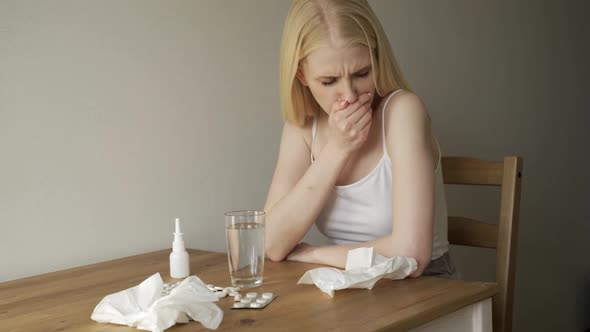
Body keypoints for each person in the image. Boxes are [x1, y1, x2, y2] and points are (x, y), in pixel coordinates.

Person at [264, 0, 454, 277]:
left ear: (377, 59)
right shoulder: (303, 127)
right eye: (329, 81)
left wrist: (312, 254)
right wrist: (337, 149)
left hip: (425, 288)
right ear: (302, 75)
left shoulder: (403, 112)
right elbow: (271, 243)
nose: (350, 95)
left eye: (361, 73)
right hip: (350, 287)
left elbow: (412, 254)